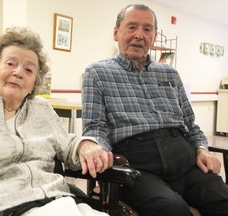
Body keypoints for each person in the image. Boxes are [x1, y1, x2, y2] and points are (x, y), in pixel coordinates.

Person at [0, 27, 113, 216]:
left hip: (58, 199)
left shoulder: (42, 108)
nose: (19, 72)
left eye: (29, 69)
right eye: (10, 64)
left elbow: (67, 144)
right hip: (1, 205)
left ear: (33, 84)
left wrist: (83, 145)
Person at [81, 4, 228, 216]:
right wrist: (100, 158)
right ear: (116, 33)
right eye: (131, 27)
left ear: (154, 36)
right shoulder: (97, 72)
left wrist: (201, 149)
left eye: (147, 29)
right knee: (172, 209)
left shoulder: (170, 74)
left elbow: (190, 124)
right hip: (138, 164)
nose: (139, 35)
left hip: (183, 161)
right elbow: (95, 127)